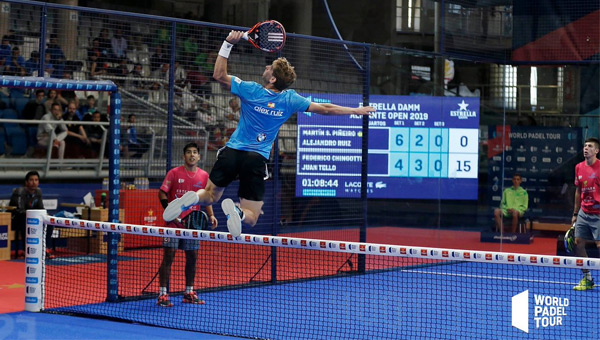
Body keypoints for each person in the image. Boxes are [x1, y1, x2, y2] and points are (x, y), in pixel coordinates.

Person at [163, 30, 375, 236]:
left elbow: (218, 75)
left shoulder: (251, 89)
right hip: (255, 159)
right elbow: (327, 109)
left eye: (269, 68)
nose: (266, 67)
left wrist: (228, 44)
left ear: (272, 79)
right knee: (252, 217)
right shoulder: (290, 99)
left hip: (231, 153)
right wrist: (355, 111)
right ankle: (237, 212)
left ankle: (190, 200)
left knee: (209, 196)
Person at [157, 142, 218, 307]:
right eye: (189, 152)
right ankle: (163, 294)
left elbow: (206, 198)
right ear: (184, 156)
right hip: (173, 224)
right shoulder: (174, 173)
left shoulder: (204, 176)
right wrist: (170, 211)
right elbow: (162, 192)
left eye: (195, 152)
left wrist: (211, 215)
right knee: (168, 257)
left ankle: (189, 292)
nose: (192, 155)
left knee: (192, 258)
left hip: (192, 225)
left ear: (199, 156)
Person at [570, 137, 600, 291]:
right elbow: (578, 190)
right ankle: (587, 279)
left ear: (596, 151)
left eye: (590, 146)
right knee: (578, 244)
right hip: (583, 211)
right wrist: (575, 213)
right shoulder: (578, 167)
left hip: (599, 213)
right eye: (585, 146)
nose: (586, 148)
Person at [9, 171, 53, 259]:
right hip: (16, 219)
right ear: (26, 182)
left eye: (36, 180)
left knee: (49, 222)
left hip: (32, 218)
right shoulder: (19, 191)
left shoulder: (38, 192)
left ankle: (44, 248)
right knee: (25, 221)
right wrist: (34, 215)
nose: (34, 182)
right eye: (31, 180)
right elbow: (20, 210)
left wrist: (45, 215)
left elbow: (41, 208)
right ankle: (27, 250)